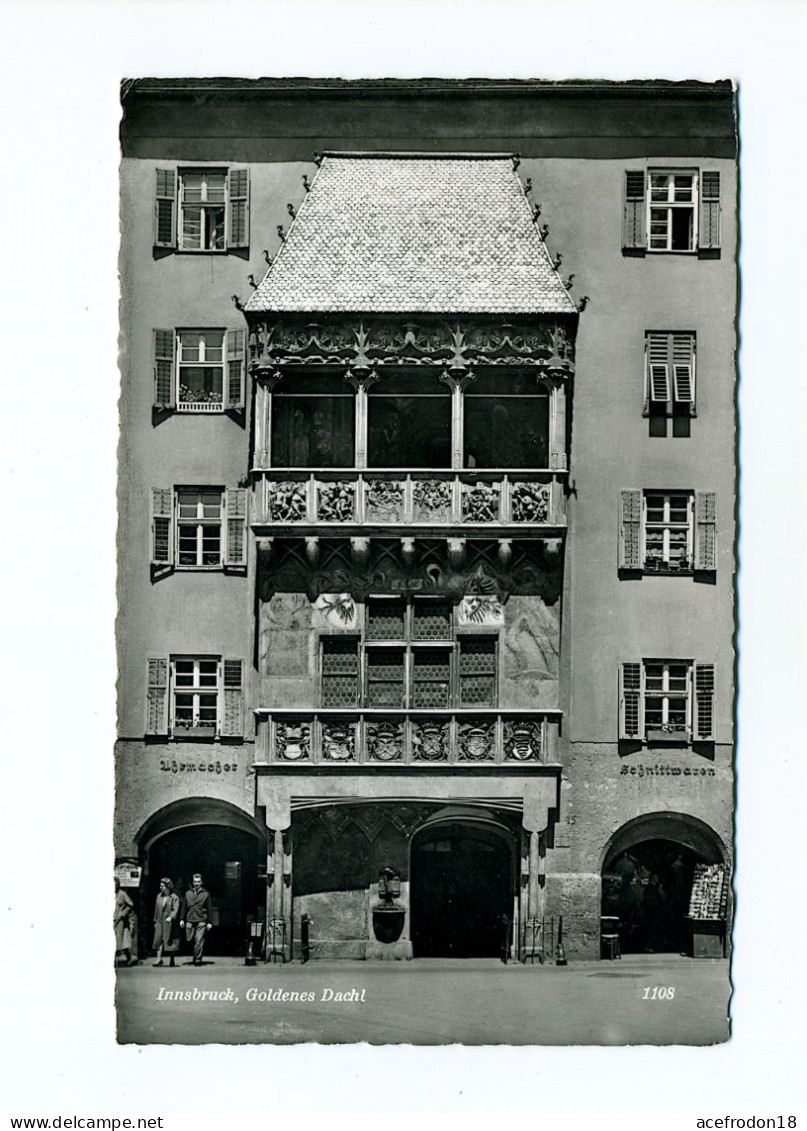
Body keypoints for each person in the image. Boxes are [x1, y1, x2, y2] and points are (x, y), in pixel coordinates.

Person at [179, 872, 213, 966]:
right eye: (195, 881)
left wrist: (209, 922)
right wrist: (182, 919)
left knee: (199, 940)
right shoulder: (188, 893)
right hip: (190, 919)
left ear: (201, 882)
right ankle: (195, 954)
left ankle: (198, 959)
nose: (196, 883)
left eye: (198, 881)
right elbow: (184, 907)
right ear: (193, 883)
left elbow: (209, 908)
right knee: (189, 939)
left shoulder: (206, 894)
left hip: (201, 920)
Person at [152, 877, 180, 968]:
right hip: (160, 921)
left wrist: (171, 917)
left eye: (162, 886)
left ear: (167, 887)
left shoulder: (174, 897)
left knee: (170, 940)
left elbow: (175, 909)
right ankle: (159, 959)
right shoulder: (158, 896)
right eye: (160, 886)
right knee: (158, 940)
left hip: (169, 922)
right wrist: (155, 920)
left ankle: (172, 958)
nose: (160, 887)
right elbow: (156, 909)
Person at [114, 878, 135, 967]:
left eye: (115, 885)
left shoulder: (122, 894)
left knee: (121, 940)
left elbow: (131, 905)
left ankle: (128, 958)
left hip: (120, 921)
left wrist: (123, 913)